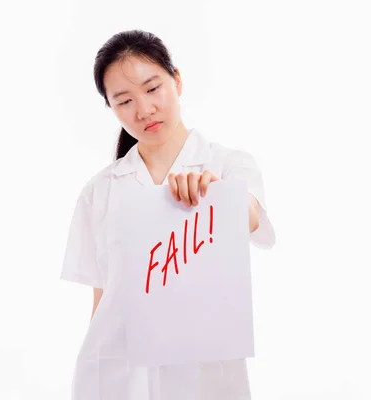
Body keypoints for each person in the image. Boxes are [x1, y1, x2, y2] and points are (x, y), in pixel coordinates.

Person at [60, 29, 276, 400]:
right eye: (124, 100)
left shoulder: (228, 165)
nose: (143, 110)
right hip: (116, 379)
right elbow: (102, 302)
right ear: (110, 108)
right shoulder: (99, 192)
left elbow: (249, 216)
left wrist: (215, 194)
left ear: (176, 79)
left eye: (152, 88)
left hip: (207, 378)